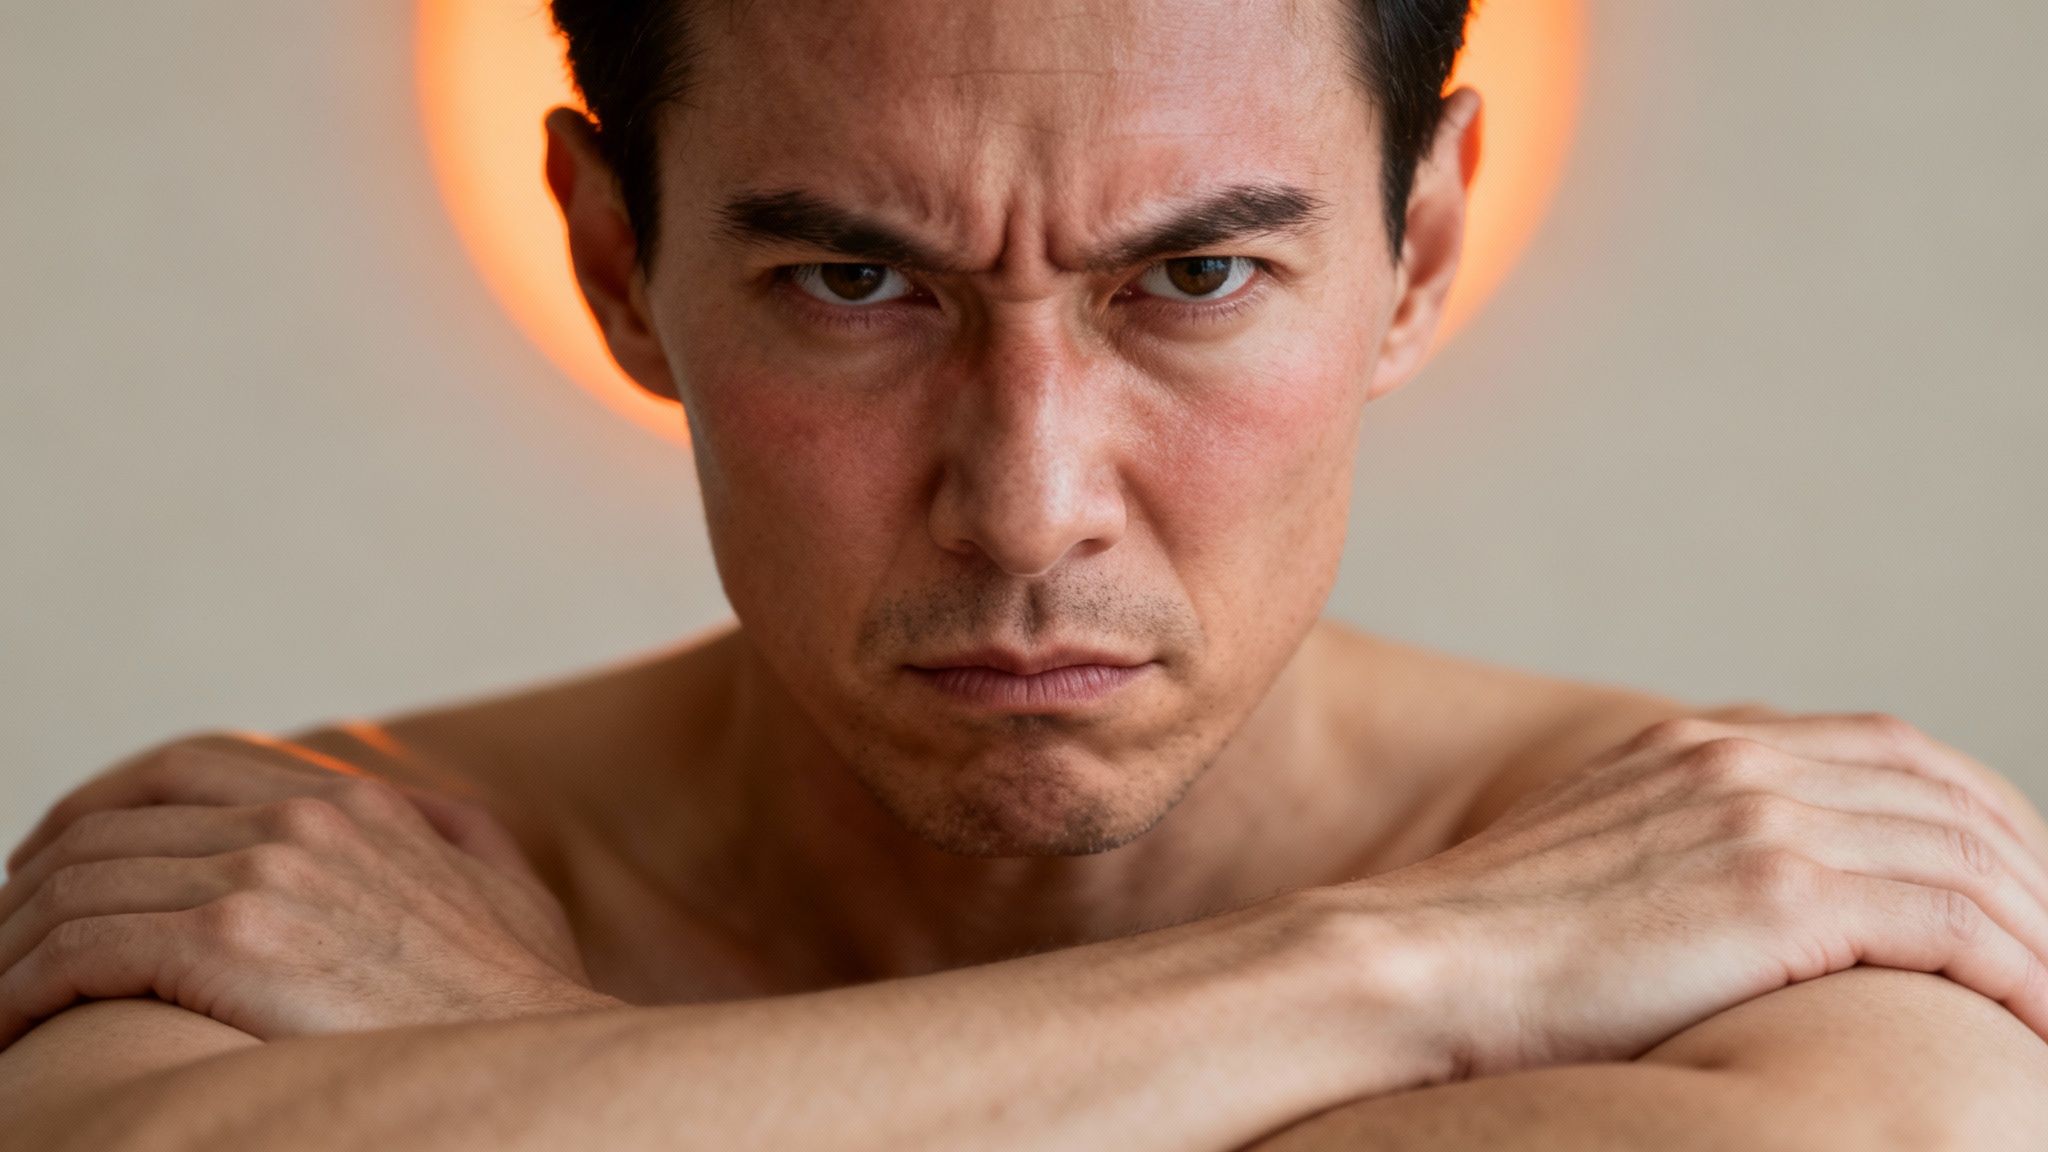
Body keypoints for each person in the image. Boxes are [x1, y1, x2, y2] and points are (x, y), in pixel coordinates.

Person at [4, 1, 2047, 1147]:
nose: (1026, 504)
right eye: (855, 281)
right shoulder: (262, 885)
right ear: (616, 263)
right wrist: (1416, 977)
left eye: (1193, 274)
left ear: (1417, 252)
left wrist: (504, 1071)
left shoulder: (1783, 915)